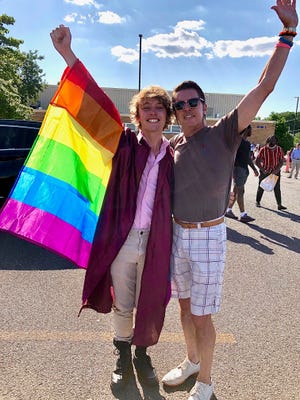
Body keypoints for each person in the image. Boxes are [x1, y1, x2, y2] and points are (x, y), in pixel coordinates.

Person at [161, 2, 298, 400]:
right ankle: (190, 362)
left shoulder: (223, 133)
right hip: (178, 233)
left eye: (192, 102)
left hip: (208, 235)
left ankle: (206, 381)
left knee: (202, 316)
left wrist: (287, 35)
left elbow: (264, 86)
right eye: (179, 105)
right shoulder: (174, 146)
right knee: (184, 308)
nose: (186, 109)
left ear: (205, 106)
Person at [50, 25, 174, 392]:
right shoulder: (123, 144)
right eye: (146, 108)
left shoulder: (175, 154)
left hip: (156, 241)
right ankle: (121, 354)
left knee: (152, 300)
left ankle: (142, 354)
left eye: (158, 108)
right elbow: (94, 105)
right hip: (123, 240)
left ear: (167, 116)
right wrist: (68, 55)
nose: (152, 113)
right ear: (137, 116)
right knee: (124, 305)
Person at [225, 125, 259, 223]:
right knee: (240, 192)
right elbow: (242, 157)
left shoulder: (241, 142)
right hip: (239, 169)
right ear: (246, 129)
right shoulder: (241, 142)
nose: (251, 131)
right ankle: (243, 214)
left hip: (240, 169)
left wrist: (254, 169)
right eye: (250, 129)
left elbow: (246, 158)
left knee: (236, 192)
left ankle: (229, 210)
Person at [255, 135, 287, 210]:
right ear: (268, 141)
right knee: (261, 186)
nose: (272, 141)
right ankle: (258, 201)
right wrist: (263, 169)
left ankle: (279, 205)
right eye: (270, 140)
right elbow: (257, 161)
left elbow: (281, 161)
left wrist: (277, 170)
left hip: (275, 172)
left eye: (274, 140)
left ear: (276, 141)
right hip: (265, 172)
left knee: (277, 188)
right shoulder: (263, 149)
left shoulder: (279, 149)